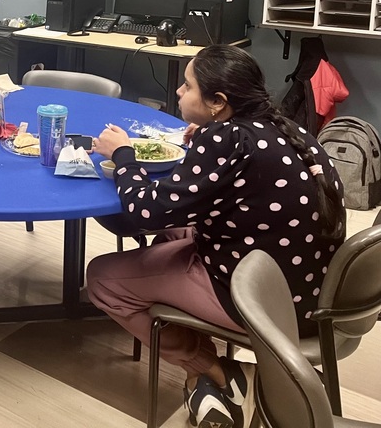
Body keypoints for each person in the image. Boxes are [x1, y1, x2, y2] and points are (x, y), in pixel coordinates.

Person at [87, 45, 345, 428]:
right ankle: (200, 357)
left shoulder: (227, 140)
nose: (178, 92)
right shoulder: (285, 128)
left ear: (218, 102)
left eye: (188, 86)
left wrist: (123, 154)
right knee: (171, 234)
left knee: (101, 278)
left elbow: (146, 211)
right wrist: (207, 142)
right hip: (310, 292)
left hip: (265, 301)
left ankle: (215, 370)